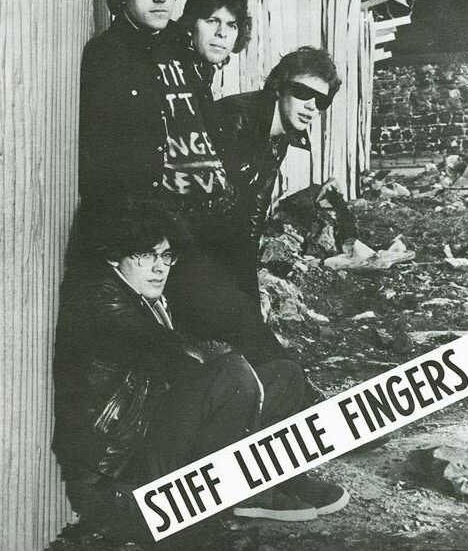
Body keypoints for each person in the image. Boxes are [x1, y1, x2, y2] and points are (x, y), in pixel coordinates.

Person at [53, 203, 349, 542]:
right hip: (127, 466)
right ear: (113, 257)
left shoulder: (143, 295)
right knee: (231, 376)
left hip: (151, 424)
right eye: (145, 256)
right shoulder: (104, 299)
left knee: (284, 376)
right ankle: (244, 492)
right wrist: (221, 356)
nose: (159, 268)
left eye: (166, 256)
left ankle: (267, 479)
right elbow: (175, 353)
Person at [76, 0, 288, 366]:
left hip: (205, 227)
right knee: (240, 333)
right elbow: (104, 167)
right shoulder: (106, 56)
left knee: (247, 324)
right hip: (159, 239)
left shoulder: (181, 51)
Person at [214, 46, 349, 301]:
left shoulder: (281, 134)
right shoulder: (236, 118)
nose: (311, 106)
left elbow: (255, 208)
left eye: (321, 101)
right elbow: (214, 206)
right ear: (278, 86)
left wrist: (247, 283)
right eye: (303, 93)